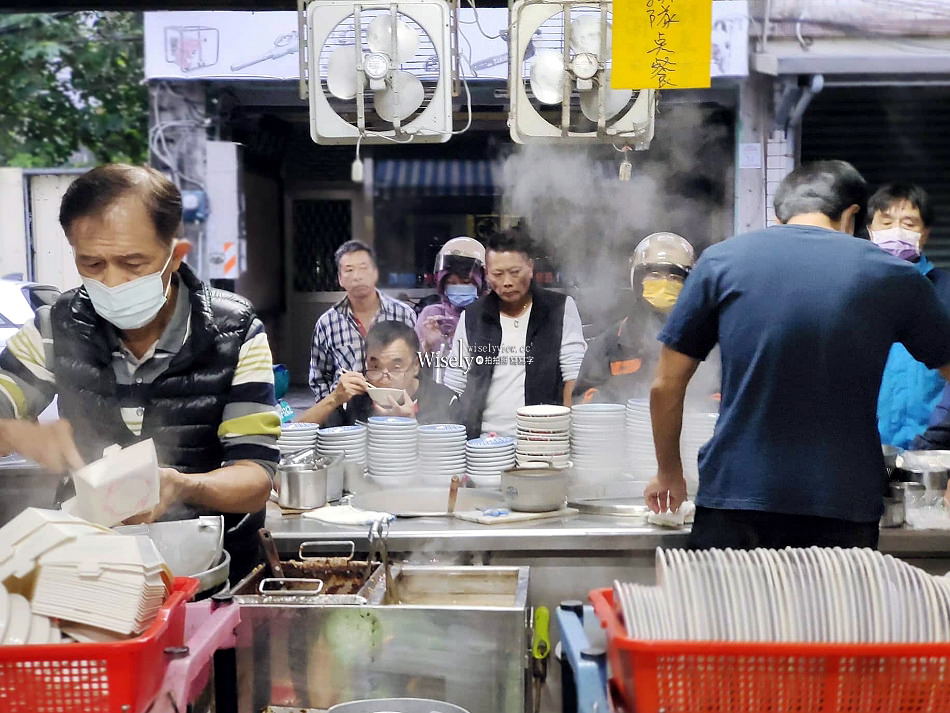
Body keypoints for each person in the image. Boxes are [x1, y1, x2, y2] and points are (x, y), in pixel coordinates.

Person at [646, 160, 950, 549]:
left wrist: (669, 472)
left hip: (736, 498)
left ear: (779, 214)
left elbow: (665, 386)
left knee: (729, 611)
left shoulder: (722, 261)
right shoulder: (893, 275)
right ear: (854, 214)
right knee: (830, 612)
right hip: (842, 504)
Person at [0, 164, 278, 581]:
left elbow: (255, 478)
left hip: (209, 570)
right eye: (92, 263)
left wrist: (183, 486)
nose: (112, 282)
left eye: (133, 262)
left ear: (174, 255)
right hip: (93, 570)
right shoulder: (52, 329)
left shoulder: (234, 332)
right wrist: (17, 433)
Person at [444, 228, 587, 439]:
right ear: (486, 274)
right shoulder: (473, 316)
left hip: (542, 437)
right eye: (498, 274)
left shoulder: (559, 308)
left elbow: (572, 376)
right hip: (484, 442)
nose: (507, 282)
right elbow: (454, 381)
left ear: (530, 267)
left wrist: (563, 432)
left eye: (515, 272)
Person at [867, 184, 950, 448]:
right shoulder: (851, 291)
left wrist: (936, 437)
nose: (897, 231)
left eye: (909, 223)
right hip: (862, 450)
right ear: (869, 230)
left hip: (935, 450)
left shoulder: (946, 291)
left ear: (925, 232)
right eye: (887, 222)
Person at [574, 232, 695, 404]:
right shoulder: (612, 342)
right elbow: (581, 397)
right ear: (638, 280)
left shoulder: (703, 341)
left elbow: (721, 398)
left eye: (674, 277)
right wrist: (617, 395)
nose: (664, 283)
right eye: (655, 275)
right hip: (621, 429)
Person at [309, 241, 416, 401]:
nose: (357, 276)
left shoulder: (403, 314)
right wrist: (333, 409)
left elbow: (417, 363)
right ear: (340, 279)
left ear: (375, 273)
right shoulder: (327, 323)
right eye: (349, 270)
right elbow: (319, 377)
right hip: (346, 414)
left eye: (363, 268)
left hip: (396, 408)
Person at [300, 320, 456, 426]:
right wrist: (334, 398)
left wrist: (410, 426)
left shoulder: (446, 400)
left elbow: (458, 459)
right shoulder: (354, 398)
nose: (383, 378)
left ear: (415, 366)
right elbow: (294, 434)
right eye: (374, 367)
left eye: (396, 367)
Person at [416, 237, 486, 357]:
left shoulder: (491, 315)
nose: (459, 287)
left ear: (481, 282)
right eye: (451, 283)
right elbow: (410, 366)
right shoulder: (431, 314)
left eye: (466, 282)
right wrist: (427, 345)